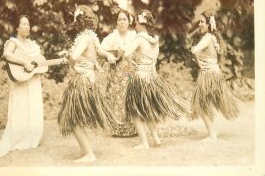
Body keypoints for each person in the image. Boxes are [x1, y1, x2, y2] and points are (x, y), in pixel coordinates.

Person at [58, 5, 118, 162]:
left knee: (73, 118)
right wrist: (107, 56)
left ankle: (89, 154)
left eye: (76, 19)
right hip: (90, 79)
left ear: (79, 21)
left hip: (83, 80)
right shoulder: (91, 36)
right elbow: (99, 52)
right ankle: (84, 151)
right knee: (78, 116)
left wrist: (68, 55)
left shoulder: (85, 38)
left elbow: (75, 55)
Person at [0, 15, 45, 161]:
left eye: (28, 24)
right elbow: (7, 55)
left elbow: (40, 60)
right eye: (23, 24)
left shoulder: (33, 45)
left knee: (33, 106)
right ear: (17, 27)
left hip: (32, 80)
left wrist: (36, 65)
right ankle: (18, 138)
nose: (27, 27)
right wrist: (24, 63)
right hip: (20, 80)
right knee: (21, 106)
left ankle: (31, 138)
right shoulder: (13, 42)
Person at [124, 9, 189, 149]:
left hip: (140, 77)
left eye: (136, 21)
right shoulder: (155, 39)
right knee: (147, 109)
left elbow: (126, 53)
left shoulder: (140, 38)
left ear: (141, 23)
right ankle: (156, 138)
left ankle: (144, 143)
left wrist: (131, 61)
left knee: (135, 111)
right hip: (152, 76)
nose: (134, 24)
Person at [189, 11, 239, 142]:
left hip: (208, 75)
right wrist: (200, 62)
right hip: (215, 73)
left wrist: (198, 61)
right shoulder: (213, 37)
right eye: (199, 22)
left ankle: (212, 135)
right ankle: (212, 133)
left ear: (209, 24)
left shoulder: (207, 38)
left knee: (200, 104)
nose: (199, 24)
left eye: (202, 22)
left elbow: (194, 50)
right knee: (205, 104)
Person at [97, 9, 137, 137]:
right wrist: (108, 54)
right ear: (116, 22)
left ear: (129, 21)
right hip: (115, 73)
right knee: (115, 97)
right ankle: (117, 128)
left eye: (124, 19)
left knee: (130, 95)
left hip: (129, 72)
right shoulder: (112, 37)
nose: (121, 22)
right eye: (119, 19)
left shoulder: (133, 36)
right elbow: (99, 50)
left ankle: (132, 128)